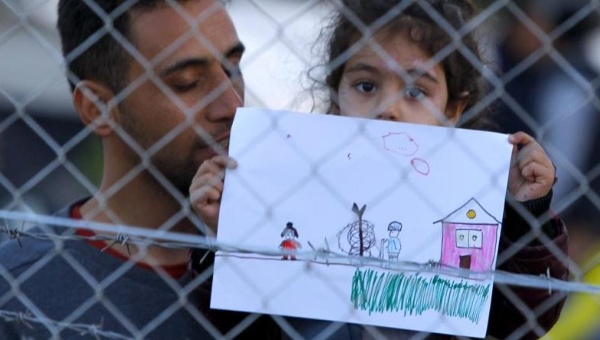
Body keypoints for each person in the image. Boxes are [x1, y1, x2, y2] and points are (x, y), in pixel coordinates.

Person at [191, 0, 569, 338]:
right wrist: (226, 234)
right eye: (367, 85)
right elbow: (231, 325)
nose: (388, 108)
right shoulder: (291, 192)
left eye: (416, 91)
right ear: (336, 99)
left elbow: (526, 320)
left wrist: (526, 215)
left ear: (453, 110)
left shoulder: (476, 202)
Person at [0, 0, 279, 338]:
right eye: (188, 82)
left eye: (232, 68)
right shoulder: (17, 291)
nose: (232, 104)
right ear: (99, 107)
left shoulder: (302, 269)